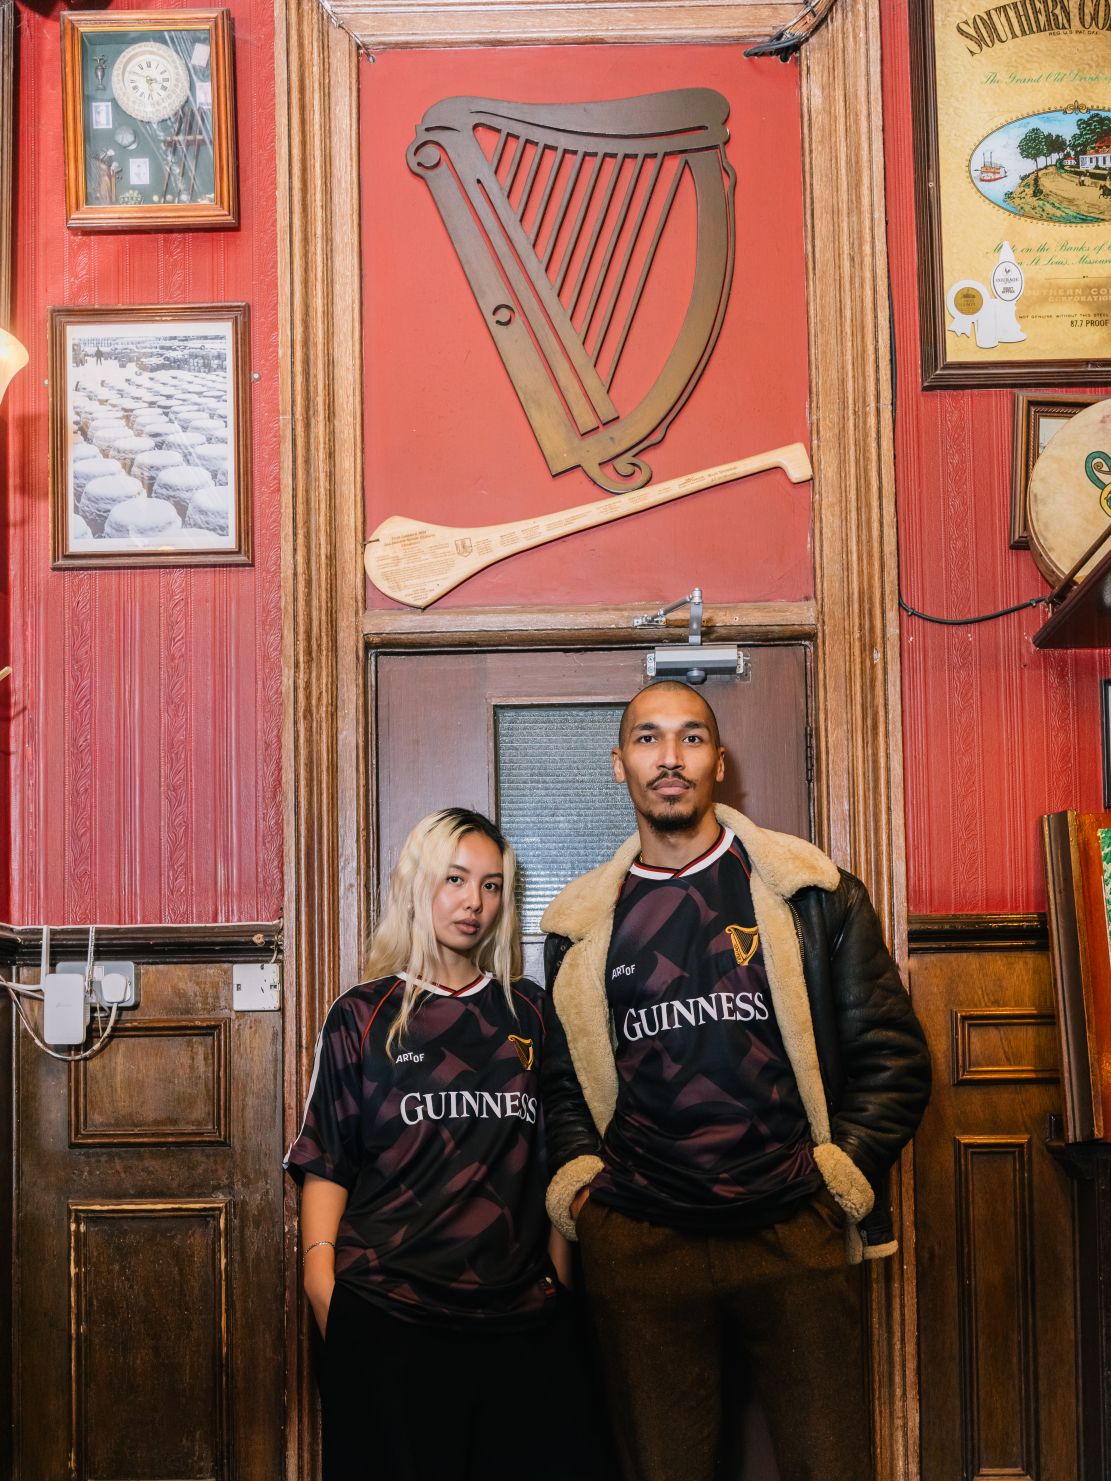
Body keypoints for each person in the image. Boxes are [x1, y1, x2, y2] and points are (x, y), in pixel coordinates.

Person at [541, 681, 932, 1481]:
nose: (669, 757)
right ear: (618, 764)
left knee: (832, 1465)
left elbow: (893, 1055)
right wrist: (586, 1196)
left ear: (717, 761)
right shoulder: (579, 926)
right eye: (647, 738)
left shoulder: (811, 892)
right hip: (641, 1240)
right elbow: (561, 1085)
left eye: (690, 737)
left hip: (791, 1224)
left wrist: (837, 1180)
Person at [285, 807, 606, 1481]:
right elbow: (327, 1160)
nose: (474, 902)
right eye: (455, 879)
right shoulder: (363, 1014)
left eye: (491, 885)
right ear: (417, 883)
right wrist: (322, 1288)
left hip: (520, 1323)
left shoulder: (529, 1012)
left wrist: (557, 1287)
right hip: (390, 1313)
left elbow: (555, 1155)